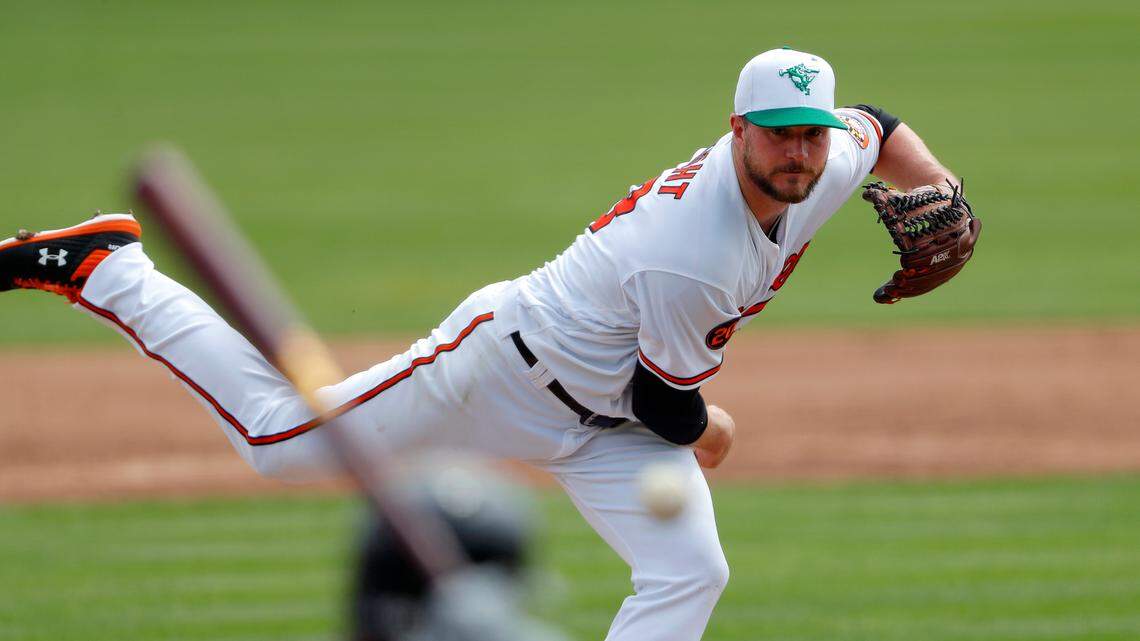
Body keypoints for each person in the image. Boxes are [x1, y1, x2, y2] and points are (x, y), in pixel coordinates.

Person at [1, 47, 962, 640]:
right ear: (737, 131)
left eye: (807, 134)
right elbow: (669, 405)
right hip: (505, 367)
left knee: (690, 570)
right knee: (278, 443)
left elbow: (875, 124)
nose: (799, 153)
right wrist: (712, 425)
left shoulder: (826, 156)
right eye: (777, 134)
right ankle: (110, 268)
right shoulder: (692, 252)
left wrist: (942, 185)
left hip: (606, 418)